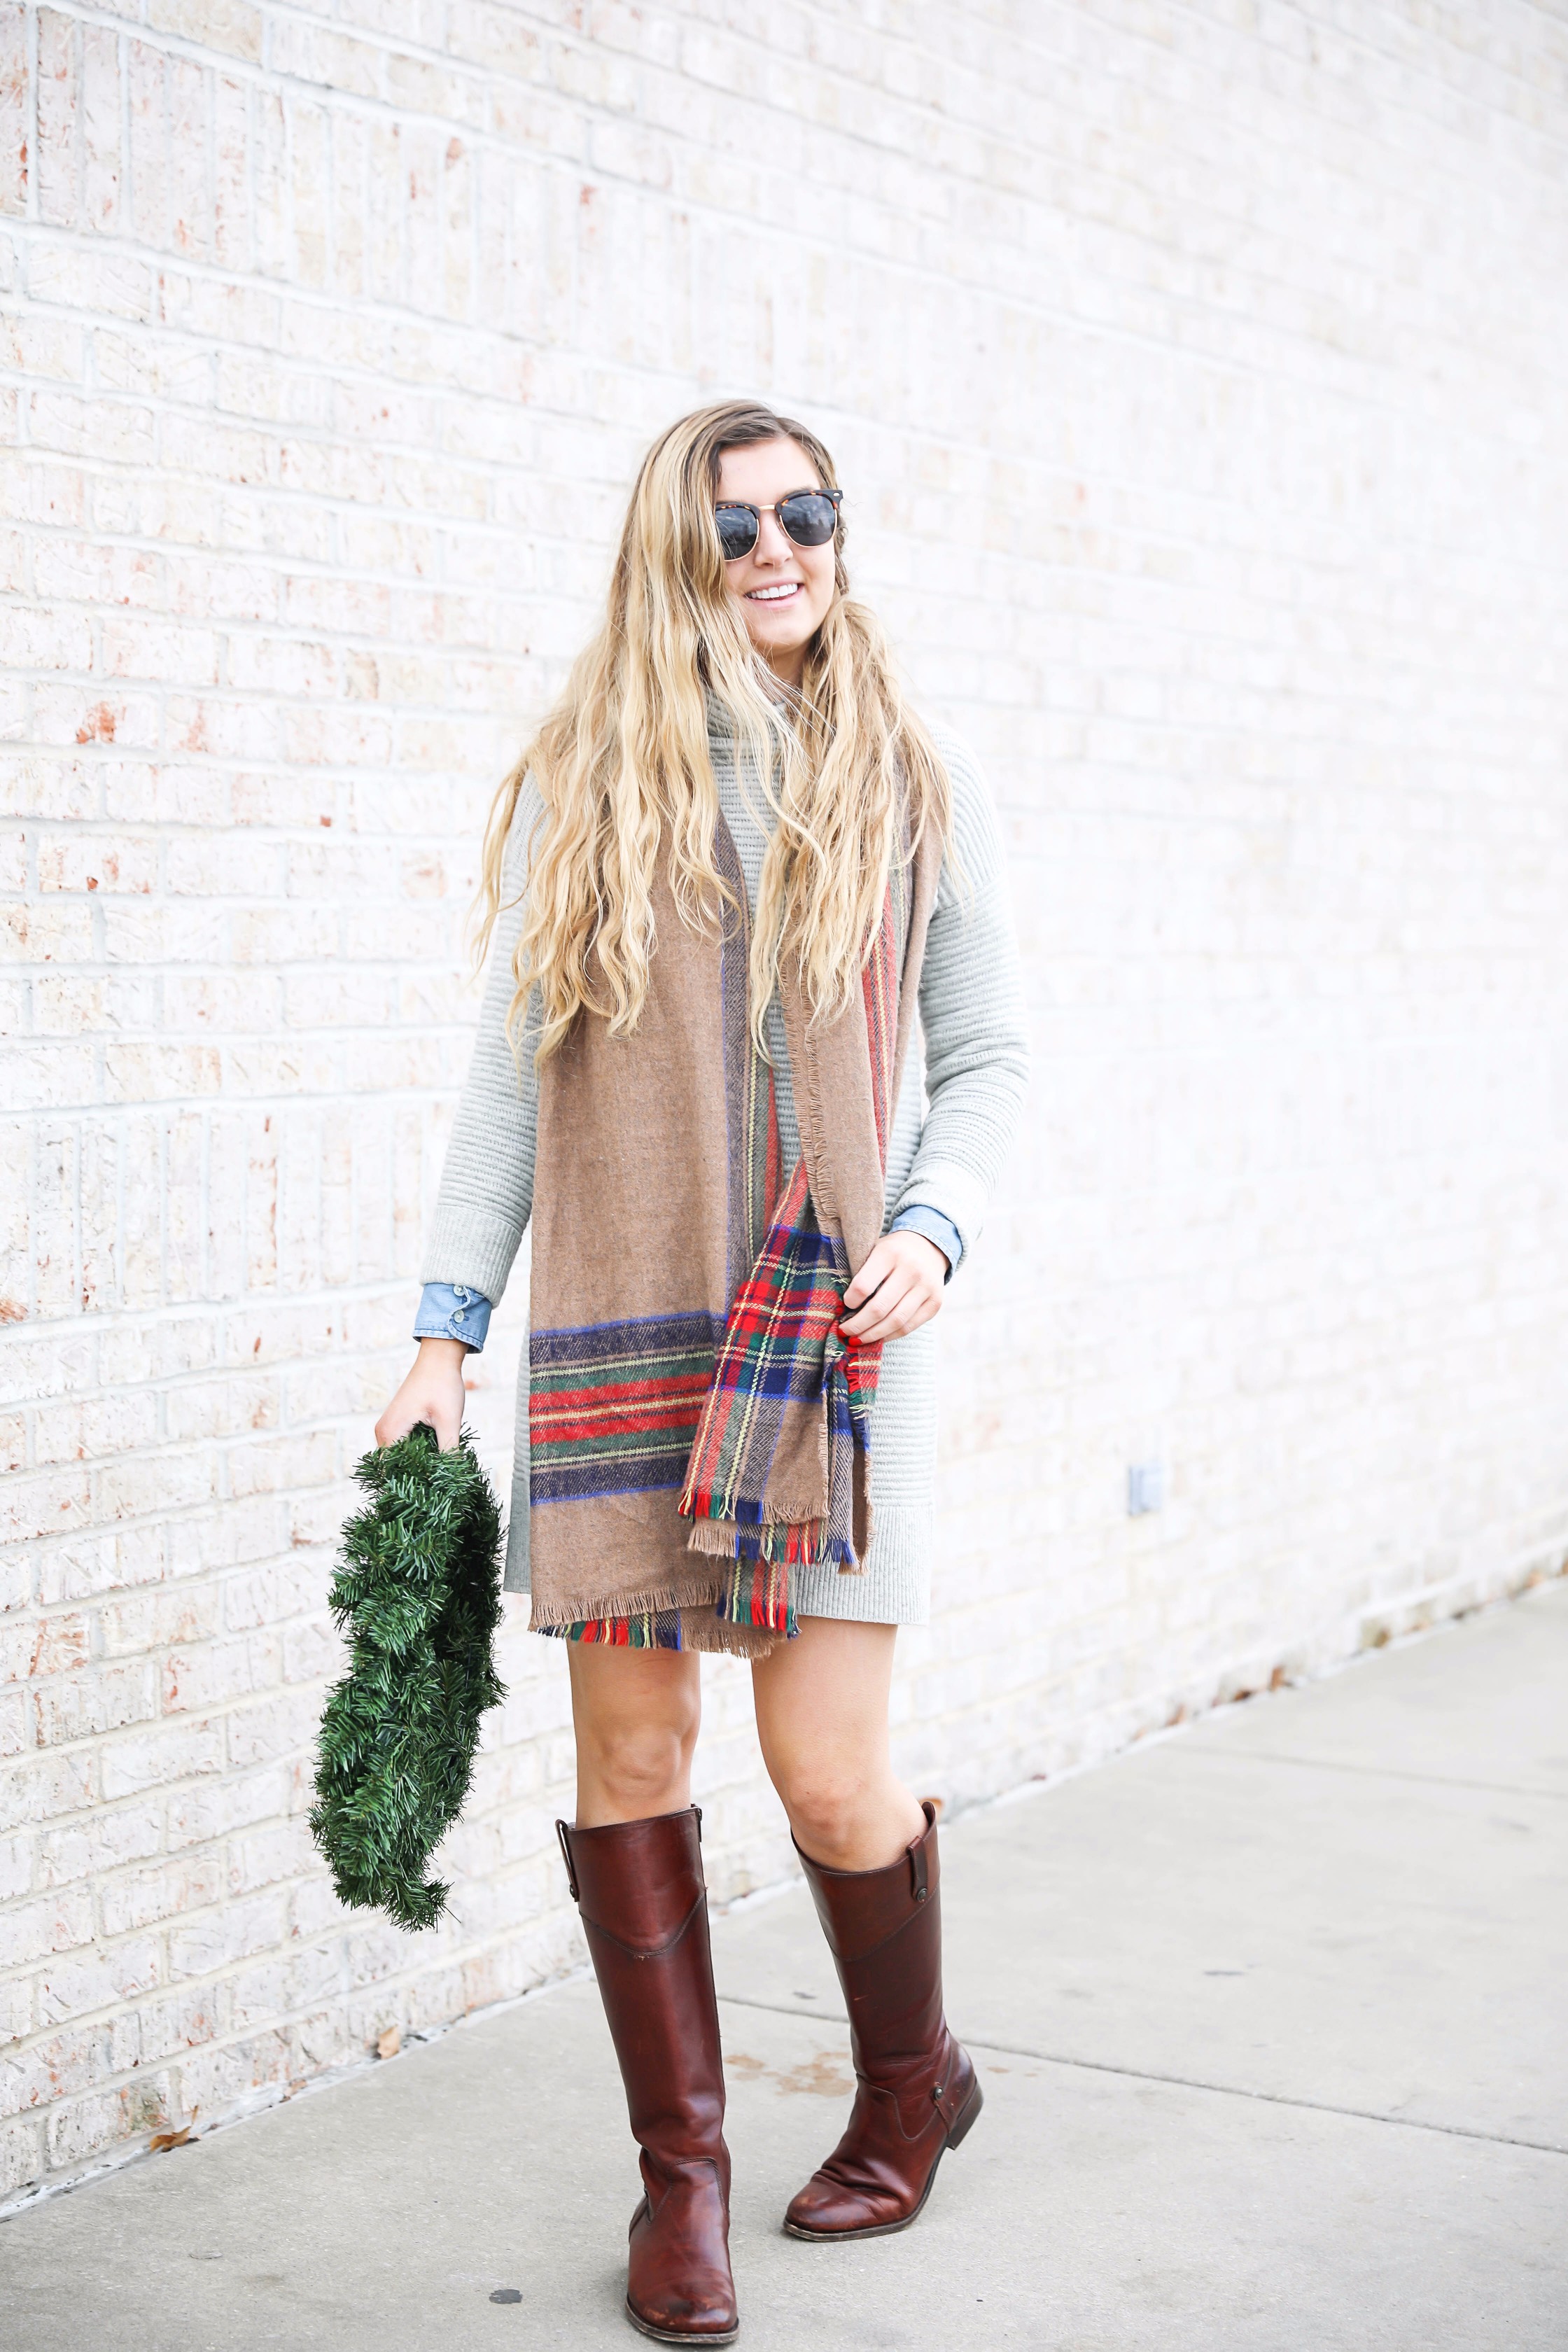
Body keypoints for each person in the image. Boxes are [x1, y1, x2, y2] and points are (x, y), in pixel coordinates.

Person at [375, 400, 1028, 2345]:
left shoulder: (913, 779)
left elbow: (990, 1060)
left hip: (835, 1336)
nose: (779, 550)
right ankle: (687, 2186)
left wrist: (933, 1229)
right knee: (632, 1762)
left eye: (808, 514)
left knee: (832, 1781)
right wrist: (440, 1332)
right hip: (620, 1332)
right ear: (676, 553)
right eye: (735, 524)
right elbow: (510, 1071)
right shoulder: (584, 784)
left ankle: (915, 2085)